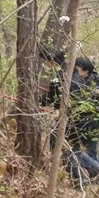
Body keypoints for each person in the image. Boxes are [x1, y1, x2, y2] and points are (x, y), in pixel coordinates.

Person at [39, 48, 99, 186]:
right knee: (76, 149)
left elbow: (56, 99)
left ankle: (83, 180)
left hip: (81, 120)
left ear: (52, 62)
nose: (45, 65)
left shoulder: (64, 76)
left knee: (68, 149)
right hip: (87, 119)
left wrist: (39, 101)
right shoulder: (73, 74)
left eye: (47, 62)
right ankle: (84, 178)